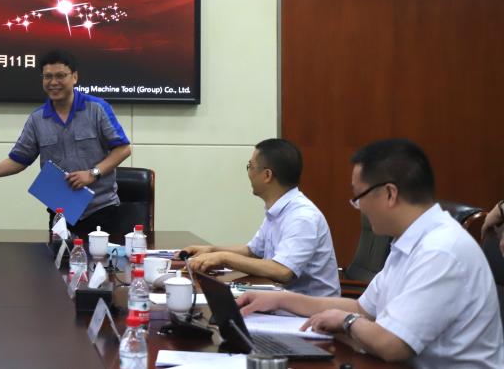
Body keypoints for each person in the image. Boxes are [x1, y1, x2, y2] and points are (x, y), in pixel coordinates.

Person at [237, 139, 503, 368]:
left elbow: (393, 345)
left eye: (359, 196)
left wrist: (347, 321)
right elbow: (362, 308)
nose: (358, 207)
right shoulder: (410, 242)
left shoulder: (441, 250)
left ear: (389, 194)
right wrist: (279, 300)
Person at [0, 50, 132, 238]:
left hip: (101, 210)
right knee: (57, 258)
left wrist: (92, 174)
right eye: (48, 77)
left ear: (74, 77)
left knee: (101, 258)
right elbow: (19, 159)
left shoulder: (97, 109)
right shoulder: (37, 119)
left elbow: (123, 149)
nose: (53, 82)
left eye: (60, 76)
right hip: (60, 213)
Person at [182, 138, 340, 296]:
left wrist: (224, 257)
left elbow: (283, 271)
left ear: (267, 175)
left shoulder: (302, 217)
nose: (249, 173)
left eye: (250, 166)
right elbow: (253, 251)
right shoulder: (278, 210)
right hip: (281, 299)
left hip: (311, 309)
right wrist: (211, 250)